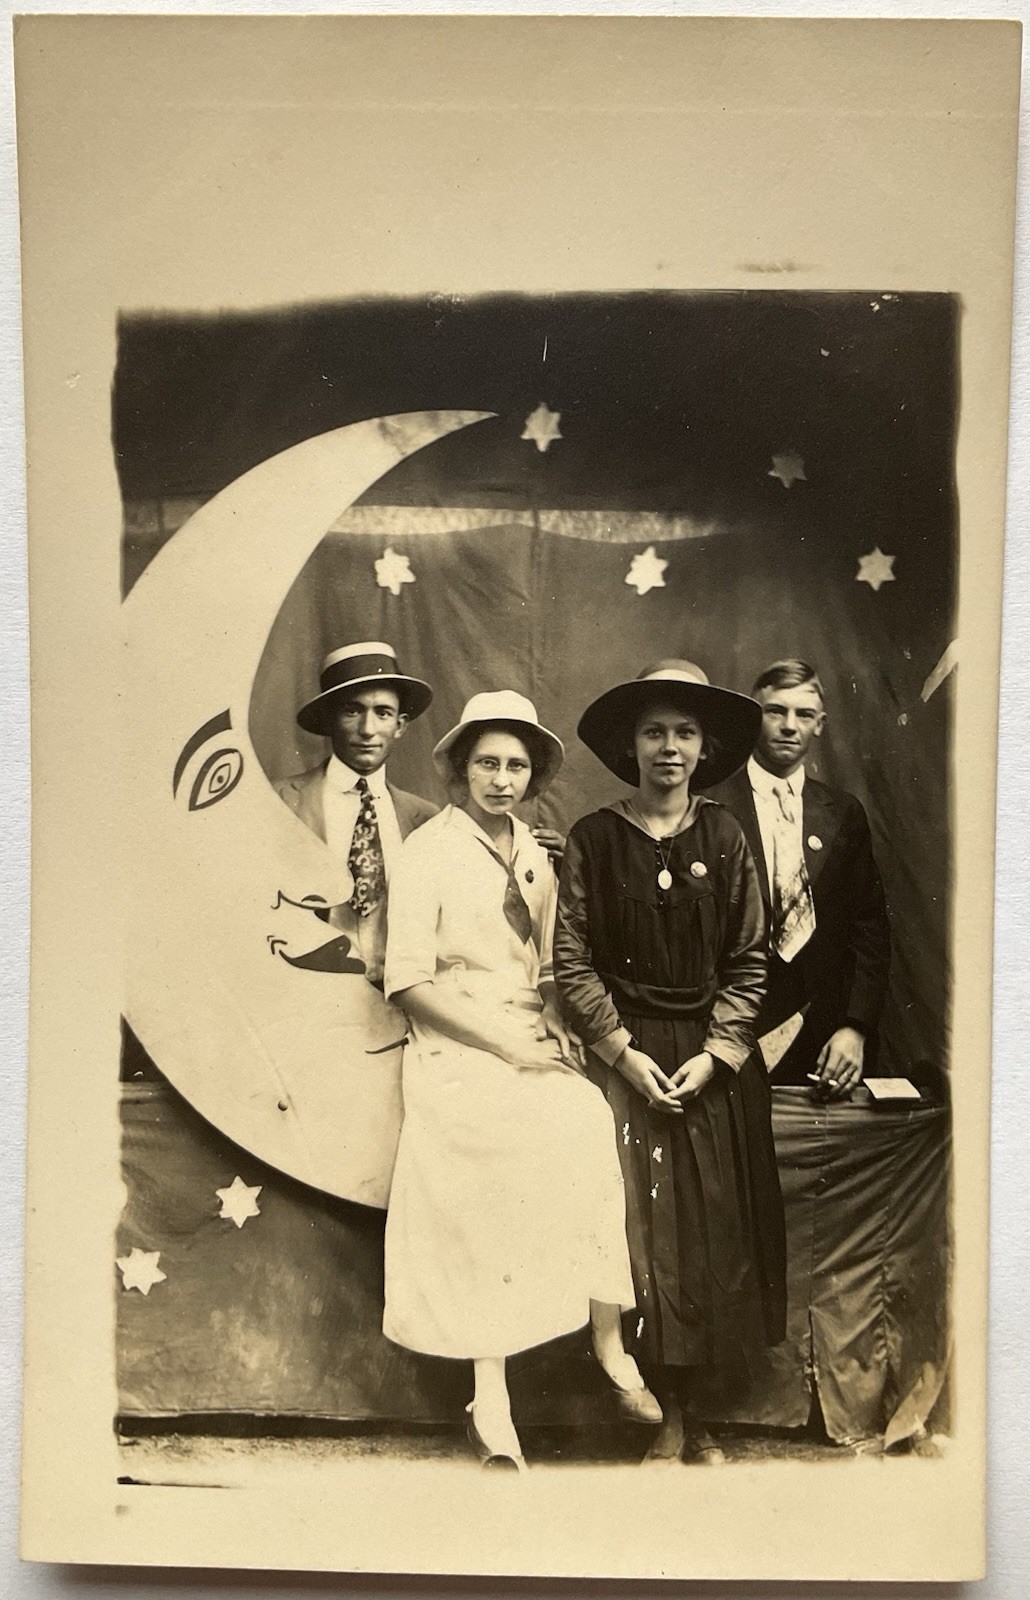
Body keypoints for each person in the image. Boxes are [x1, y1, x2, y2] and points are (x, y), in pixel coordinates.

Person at [382, 691, 655, 1470]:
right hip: (452, 1045)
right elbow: (406, 982)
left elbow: (543, 962)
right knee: (494, 1164)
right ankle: (490, 1394)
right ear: (460, 768)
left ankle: (608, 1341)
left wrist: (555, 1018)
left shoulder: (535, 853)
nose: (501, 779)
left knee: (585, 1121)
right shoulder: (429, 851)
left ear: (533, 775)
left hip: (527, 1035)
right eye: (486, 764)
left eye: (516, 766)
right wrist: (504, 1044)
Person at [554, 661, 786, 1465]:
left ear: (705, 746)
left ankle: (700, 1416)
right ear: (630, 745)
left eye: (685, 733)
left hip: (707, 1067)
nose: (670, 747)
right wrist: (619, 1053)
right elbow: (571, 959)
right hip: (625, 1056)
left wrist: (720, 1055)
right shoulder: (591, 838)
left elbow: (751, 959)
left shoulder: (725, 836)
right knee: (639, 1232)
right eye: (654, 731)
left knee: (712, 1233)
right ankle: (654, 1416)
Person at [709, 659, 891, 1096]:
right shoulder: (710, 808)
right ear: (755, 716)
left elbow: (868, 929)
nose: (789, 726)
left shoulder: (842, 813)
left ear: (820, 725)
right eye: (775, 711)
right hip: (728, 1027)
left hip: (823, 1036)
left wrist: (855, 1027)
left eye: (804, 715)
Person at [274, 641, 438, 987]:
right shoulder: (280, 802)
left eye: (383, 713)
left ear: (401, 725)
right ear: (331, 719)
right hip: (302, 995)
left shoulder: (425, 819)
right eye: (352, 710)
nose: (367, 729)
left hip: (394, 1002)